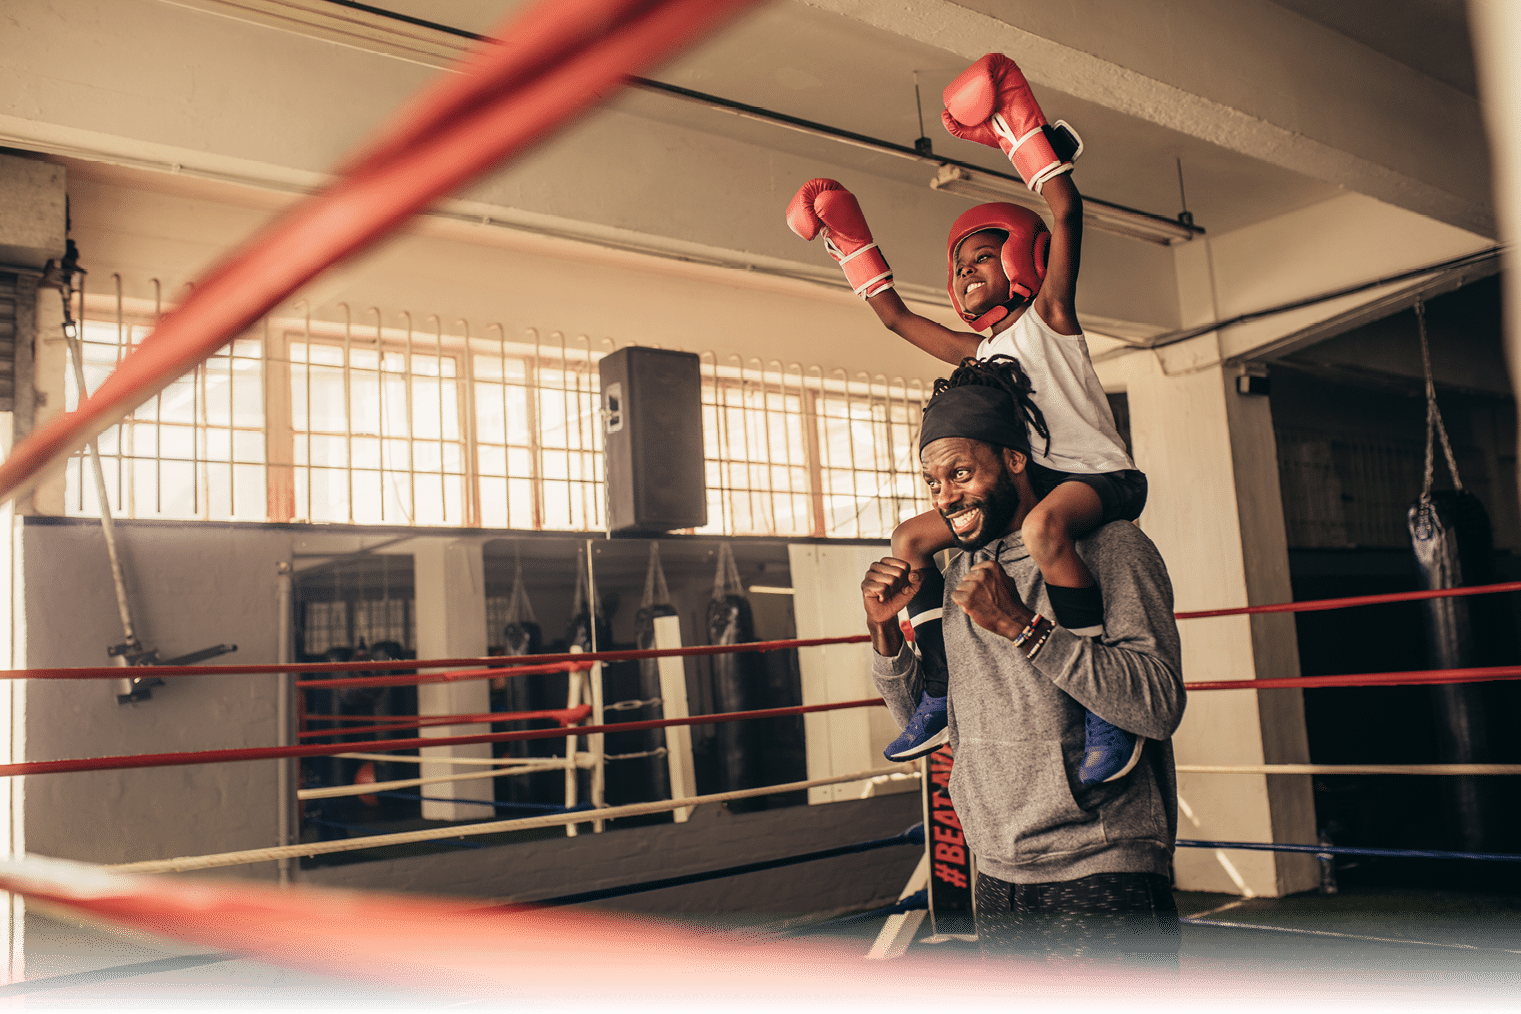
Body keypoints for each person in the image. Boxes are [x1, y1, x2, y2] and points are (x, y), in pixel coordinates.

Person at [786, 53, 1145, 781]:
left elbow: (1067, 211)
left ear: (1020, 259)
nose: (965, 273)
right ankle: (940, 690)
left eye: (981, 257)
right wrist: (848, 236)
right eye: (957, 266)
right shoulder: (976, 353)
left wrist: (1021, 129)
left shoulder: (1048, 317)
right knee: (909, 536)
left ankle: (1104, 709)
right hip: (1035, 479)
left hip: (1102, 479)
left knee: (1042, 529)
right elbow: (892, 318)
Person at [860, 358, 1186, 967]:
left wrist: (1022, 628)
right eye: (933, 482)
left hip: (1099, 863)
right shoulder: (957, 570)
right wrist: (886, 636)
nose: (945, 496)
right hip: (998, 868)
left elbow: (1157, 704)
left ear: (1014, 459)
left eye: (960, 473)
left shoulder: (1113, 548)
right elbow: (933, 721)